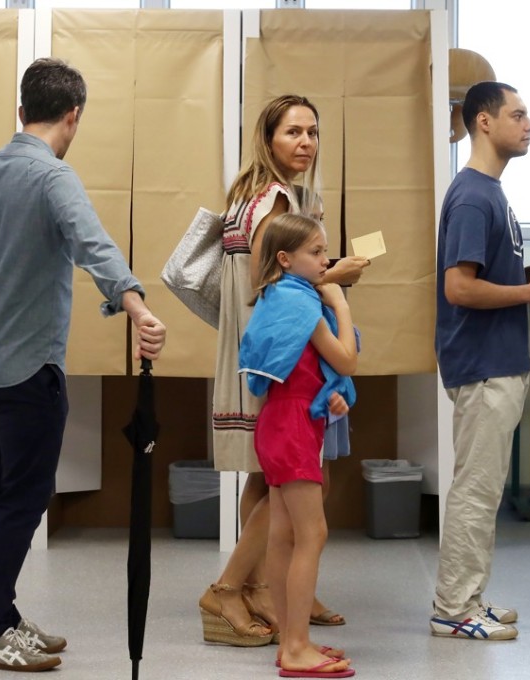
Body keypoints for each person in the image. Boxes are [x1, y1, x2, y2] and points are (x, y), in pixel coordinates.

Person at [0, 57, 166, 672]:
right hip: (29, 367)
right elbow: (93, 245)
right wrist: (135, 308)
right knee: (22, 499)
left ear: (23, 109)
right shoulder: (53, 177)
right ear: (72, 115)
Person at [201, 94, 367, 647]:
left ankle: (264, 588)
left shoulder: (257, 192)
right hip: (278, 357)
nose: (306, 143)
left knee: (264, 475)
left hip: (261, 346)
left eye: (313, 133)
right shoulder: (273, 197)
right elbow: (273, 282)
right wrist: (337, 279)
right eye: (293, 132)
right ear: (267, 139)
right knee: (281, 484)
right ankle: (229, 588)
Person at [431, 81, 530, 641]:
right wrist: (527, 295)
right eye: (518, 115)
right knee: (476, 489)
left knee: (485, 489)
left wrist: (525, 278)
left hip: (501, 362)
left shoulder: (492, 193)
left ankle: (470, 598)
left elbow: (484, 277)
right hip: (483, 366)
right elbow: (459, 289)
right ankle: (454, 608)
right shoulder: (472, 196)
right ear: (483, 122)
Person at [239, 212, 357, 677]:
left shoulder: (281, 296)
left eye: (325, 250)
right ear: (286, 258)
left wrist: (330, 394)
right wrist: (341, 304)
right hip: (291, 430)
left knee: (284, 536)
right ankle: (295, 647)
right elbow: (346, 359)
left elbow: (301, 367)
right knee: (313, 534)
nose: (326, 260)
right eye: (316, 252)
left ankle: (292, 640)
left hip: (283, 422)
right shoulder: (304, 304)